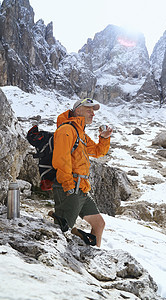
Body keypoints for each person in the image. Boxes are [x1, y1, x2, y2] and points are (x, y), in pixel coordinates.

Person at [52, 98, 112, 247]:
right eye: (89, 109)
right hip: (70, 187)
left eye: (94, 111)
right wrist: (68, 186)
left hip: (81, 188)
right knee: (61, 232)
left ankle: (95, 257)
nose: (93, 114)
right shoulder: (66, 130)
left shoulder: (81, 134)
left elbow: (98, 152)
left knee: (99, 224)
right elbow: (61, 160)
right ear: (78, 110)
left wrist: (104, 139)